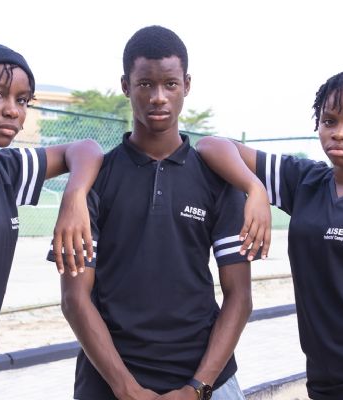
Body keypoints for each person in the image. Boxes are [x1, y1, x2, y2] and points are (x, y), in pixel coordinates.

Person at [48, 25, 262, 400]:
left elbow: (239, 297)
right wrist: (126, 388)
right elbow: (74, 299)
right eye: (145, 84)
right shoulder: (94, 179)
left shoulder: (217, 180)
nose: (158, 97)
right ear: (126, 86)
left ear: (187, 85)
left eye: (170, 84)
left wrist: (198, 388)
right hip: (109, 383)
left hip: (207, 380)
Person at [0, 39, 103, 400]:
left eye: (22, 100)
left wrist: (74, 198)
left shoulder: (3, 169)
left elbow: (85, 149)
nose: (12, 110)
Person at [196, 70, 343, 399]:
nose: (340, 133)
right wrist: (254, 188)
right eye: (330, 121)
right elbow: (211, 145)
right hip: (325, 379)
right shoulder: (306, 182)